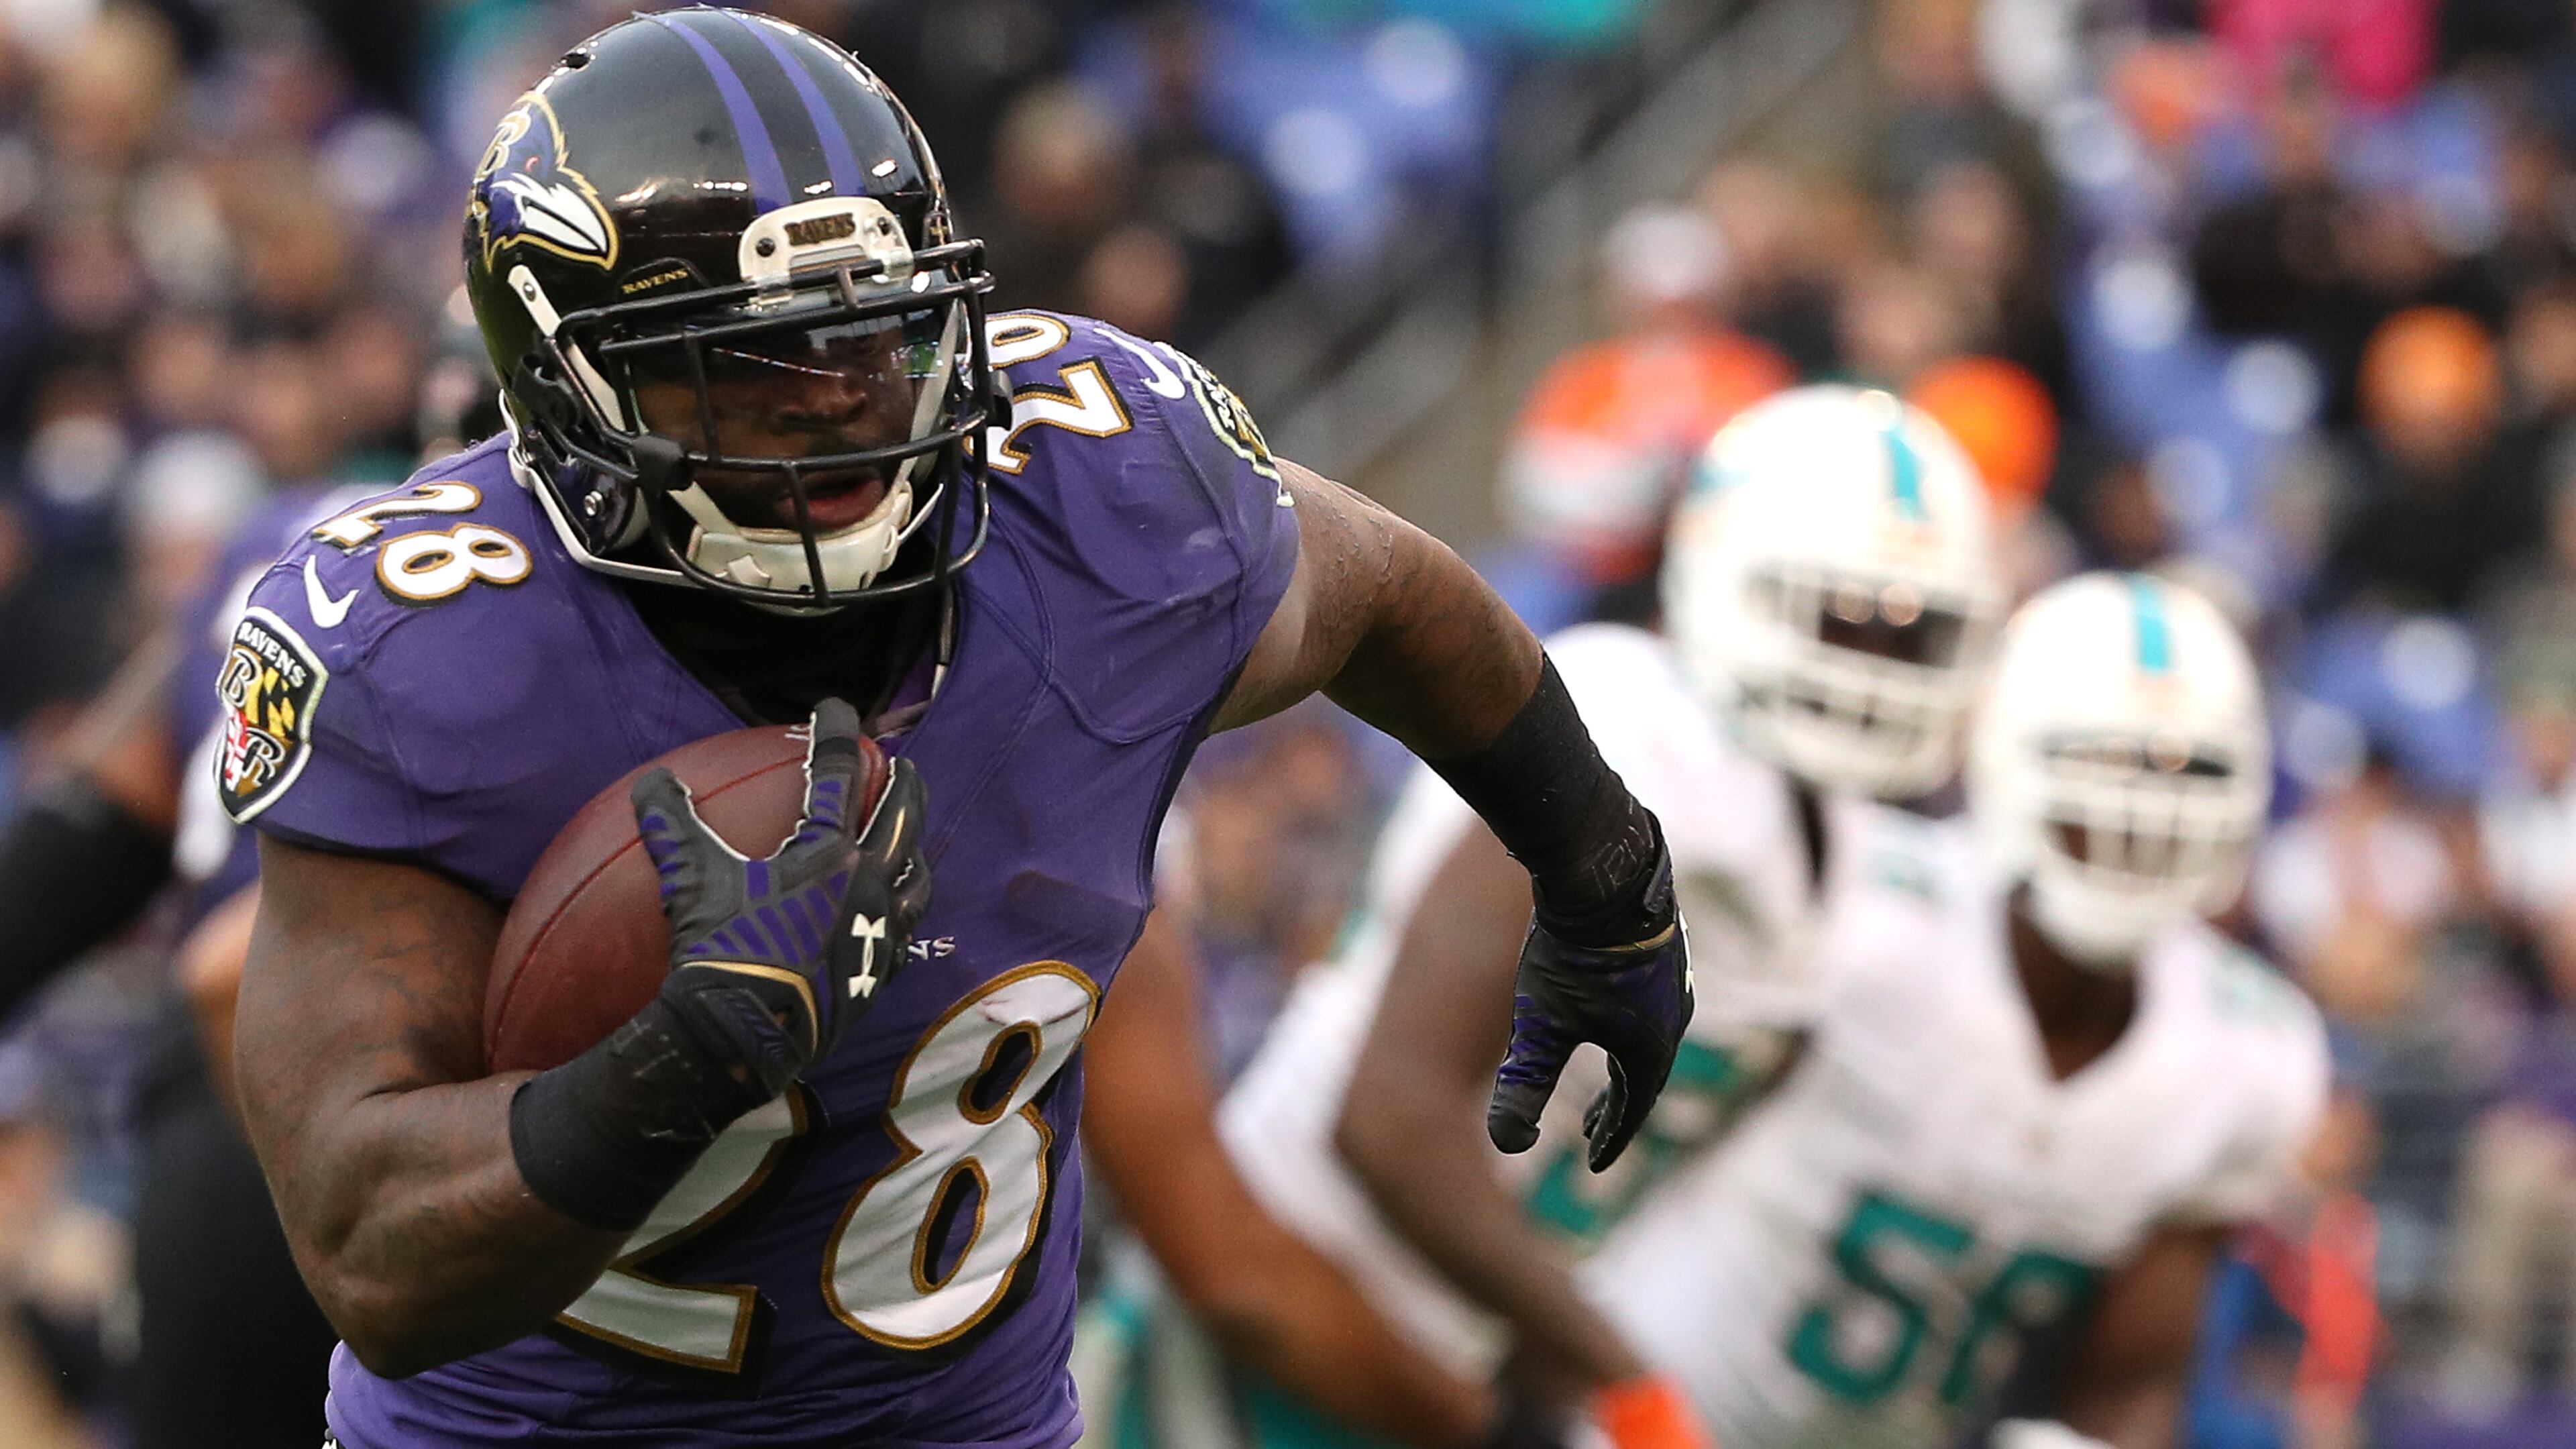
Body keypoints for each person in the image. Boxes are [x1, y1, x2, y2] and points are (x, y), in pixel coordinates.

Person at [219, 12, 1692, 1449]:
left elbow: (1384, 588)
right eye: (746, 365)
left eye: (876, 336)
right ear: (567, 378)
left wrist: (1599, 867)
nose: (843, 408)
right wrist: (690, 1053)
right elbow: (369, 1254)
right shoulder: (440, 649)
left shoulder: (1093, 496)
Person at [1216, 386, 2004, 1444]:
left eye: (1912, 636)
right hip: (1285, 1287)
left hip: (1453, 1345)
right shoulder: (1640, 725)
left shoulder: (1845, 854)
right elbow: (1390, 1116)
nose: (1870, 668)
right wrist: (1628, 1384)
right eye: (1837, 615)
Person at [1585, 572, 2330, 1449]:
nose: (2142, 808)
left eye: (2187, 771)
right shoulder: (1862, 911)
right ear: (2011, 754)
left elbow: (2132, 1380)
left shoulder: (2246, 1058)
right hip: (1631, 1413)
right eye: (2103, 762)